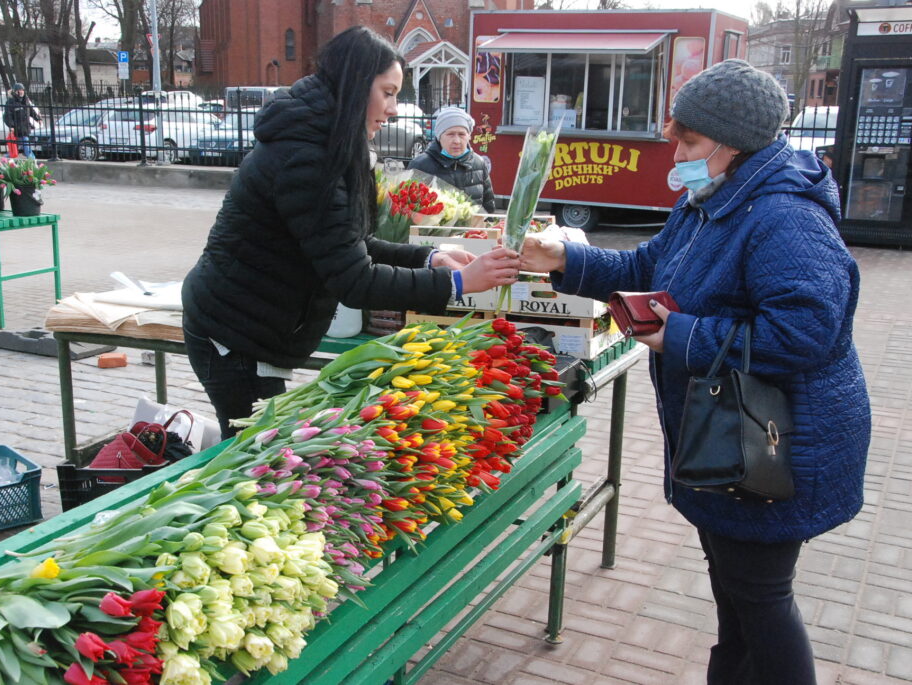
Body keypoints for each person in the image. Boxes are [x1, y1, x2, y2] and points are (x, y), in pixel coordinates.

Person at [522, 59, 870, 684]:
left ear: (731, 143)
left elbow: (806, 333)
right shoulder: (713, 198)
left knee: (759, 599)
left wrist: (676, 335)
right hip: (732, 437)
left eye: (686, 141)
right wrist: (565, 258)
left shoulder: (783, 216)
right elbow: (649, 267)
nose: (674, 155)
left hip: (774, 444)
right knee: (739, 597)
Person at [182, 26, 519, 439]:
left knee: (263, 454)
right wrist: (456, 284)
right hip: (235, 336)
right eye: (388, 92)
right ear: (355, 86)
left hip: (255, 328)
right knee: (250, 461)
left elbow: (348, 242)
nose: (394, 108)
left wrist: (429, 257)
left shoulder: (331, 142)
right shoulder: (306, 158)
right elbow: (354, 280)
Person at [408, 106, 496, 212]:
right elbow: (409, 209)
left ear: (469, 136)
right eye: (450, 134)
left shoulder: (479, 164)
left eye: (462, 134)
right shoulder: (420, 165)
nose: (457, 141)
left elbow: (488, 208)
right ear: (439, 137)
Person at [3, 83, 41, 158]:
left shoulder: (25, 100)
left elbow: (31, 111)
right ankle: (32, 161)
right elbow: (8, 116)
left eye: (22, 90)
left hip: (25, 128)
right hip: (17, 129)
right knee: (23, 148)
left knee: (17, 148)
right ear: (15, 92)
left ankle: (6, 158)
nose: (21, 92)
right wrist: (12, 126)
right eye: (18, 90)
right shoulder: (11, 102)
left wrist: (38, 118)